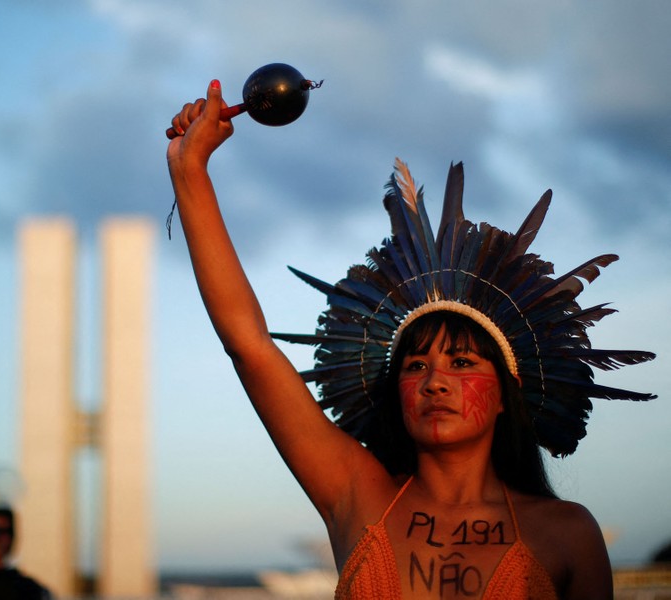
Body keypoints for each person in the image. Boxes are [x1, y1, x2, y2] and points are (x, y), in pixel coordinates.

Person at [166, 80, 656, 599]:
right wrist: (189, 169)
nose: (435, 382)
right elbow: (249, 345)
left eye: (462, 363)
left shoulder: (567, 534)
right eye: (415, 365)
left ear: (506, 393)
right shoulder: (356, 492)